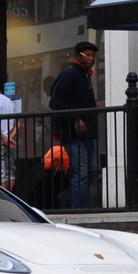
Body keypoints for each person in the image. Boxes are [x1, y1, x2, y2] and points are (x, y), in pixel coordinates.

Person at [48, 43, 102, 207]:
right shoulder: (70, 75)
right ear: (78, 55)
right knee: (83, 172)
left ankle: (67, 197)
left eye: (93, 55)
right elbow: (56, 102)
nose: (91, 58)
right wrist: (75, 120)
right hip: (73, 135)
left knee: (93, 169)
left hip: (89, 133)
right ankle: (79, 209)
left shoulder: (85, 76)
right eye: (88, 55)